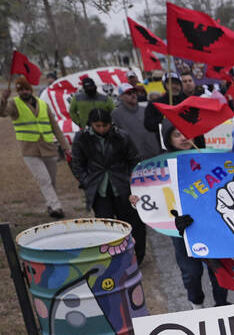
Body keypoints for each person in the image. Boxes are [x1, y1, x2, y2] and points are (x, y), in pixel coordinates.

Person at [160, 126, 228, 308]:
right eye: (176, 134)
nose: (183, 138)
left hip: (211, 223)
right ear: (168, 139)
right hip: (181, 228)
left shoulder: (208, 158)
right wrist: (138, 199)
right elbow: (153, 195)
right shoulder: (159, 166)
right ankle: (196, 303)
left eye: (187, 133)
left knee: (218, 267)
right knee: (190, 272)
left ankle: (222, 304)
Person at [69, 108, 146, 263]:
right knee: (106, 226)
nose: (102, 129)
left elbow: (134, 159)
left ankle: (137, 256)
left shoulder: (122, 137)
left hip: (122, 187)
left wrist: (131, 179)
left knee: (132, 224)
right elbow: (77, 163)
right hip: (98, 189)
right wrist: (86, 180)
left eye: (105, 125)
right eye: (98, 126)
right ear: (91, 124)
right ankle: (112, 259)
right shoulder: (82, 138)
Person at [1, 74, 71, 218]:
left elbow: (55, 127)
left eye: (25, 89)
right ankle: (57, 207)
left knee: (51, 180)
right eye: (20, 90)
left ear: (30, 89)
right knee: (44, 179)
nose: (23, 92)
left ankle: (50, 205)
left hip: (48, 147)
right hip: (29, 149)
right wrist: (3, 99)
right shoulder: (14, 104)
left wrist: (65, 146)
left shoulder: (43, 104)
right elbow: (2, 112)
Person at [111, 82, 159, 161]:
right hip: (136, 159)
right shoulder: (116, 114)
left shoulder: (145, 109)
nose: (133, 95)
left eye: (134, 92)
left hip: (155, 154)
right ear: (121, 96)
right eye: (129, 93)